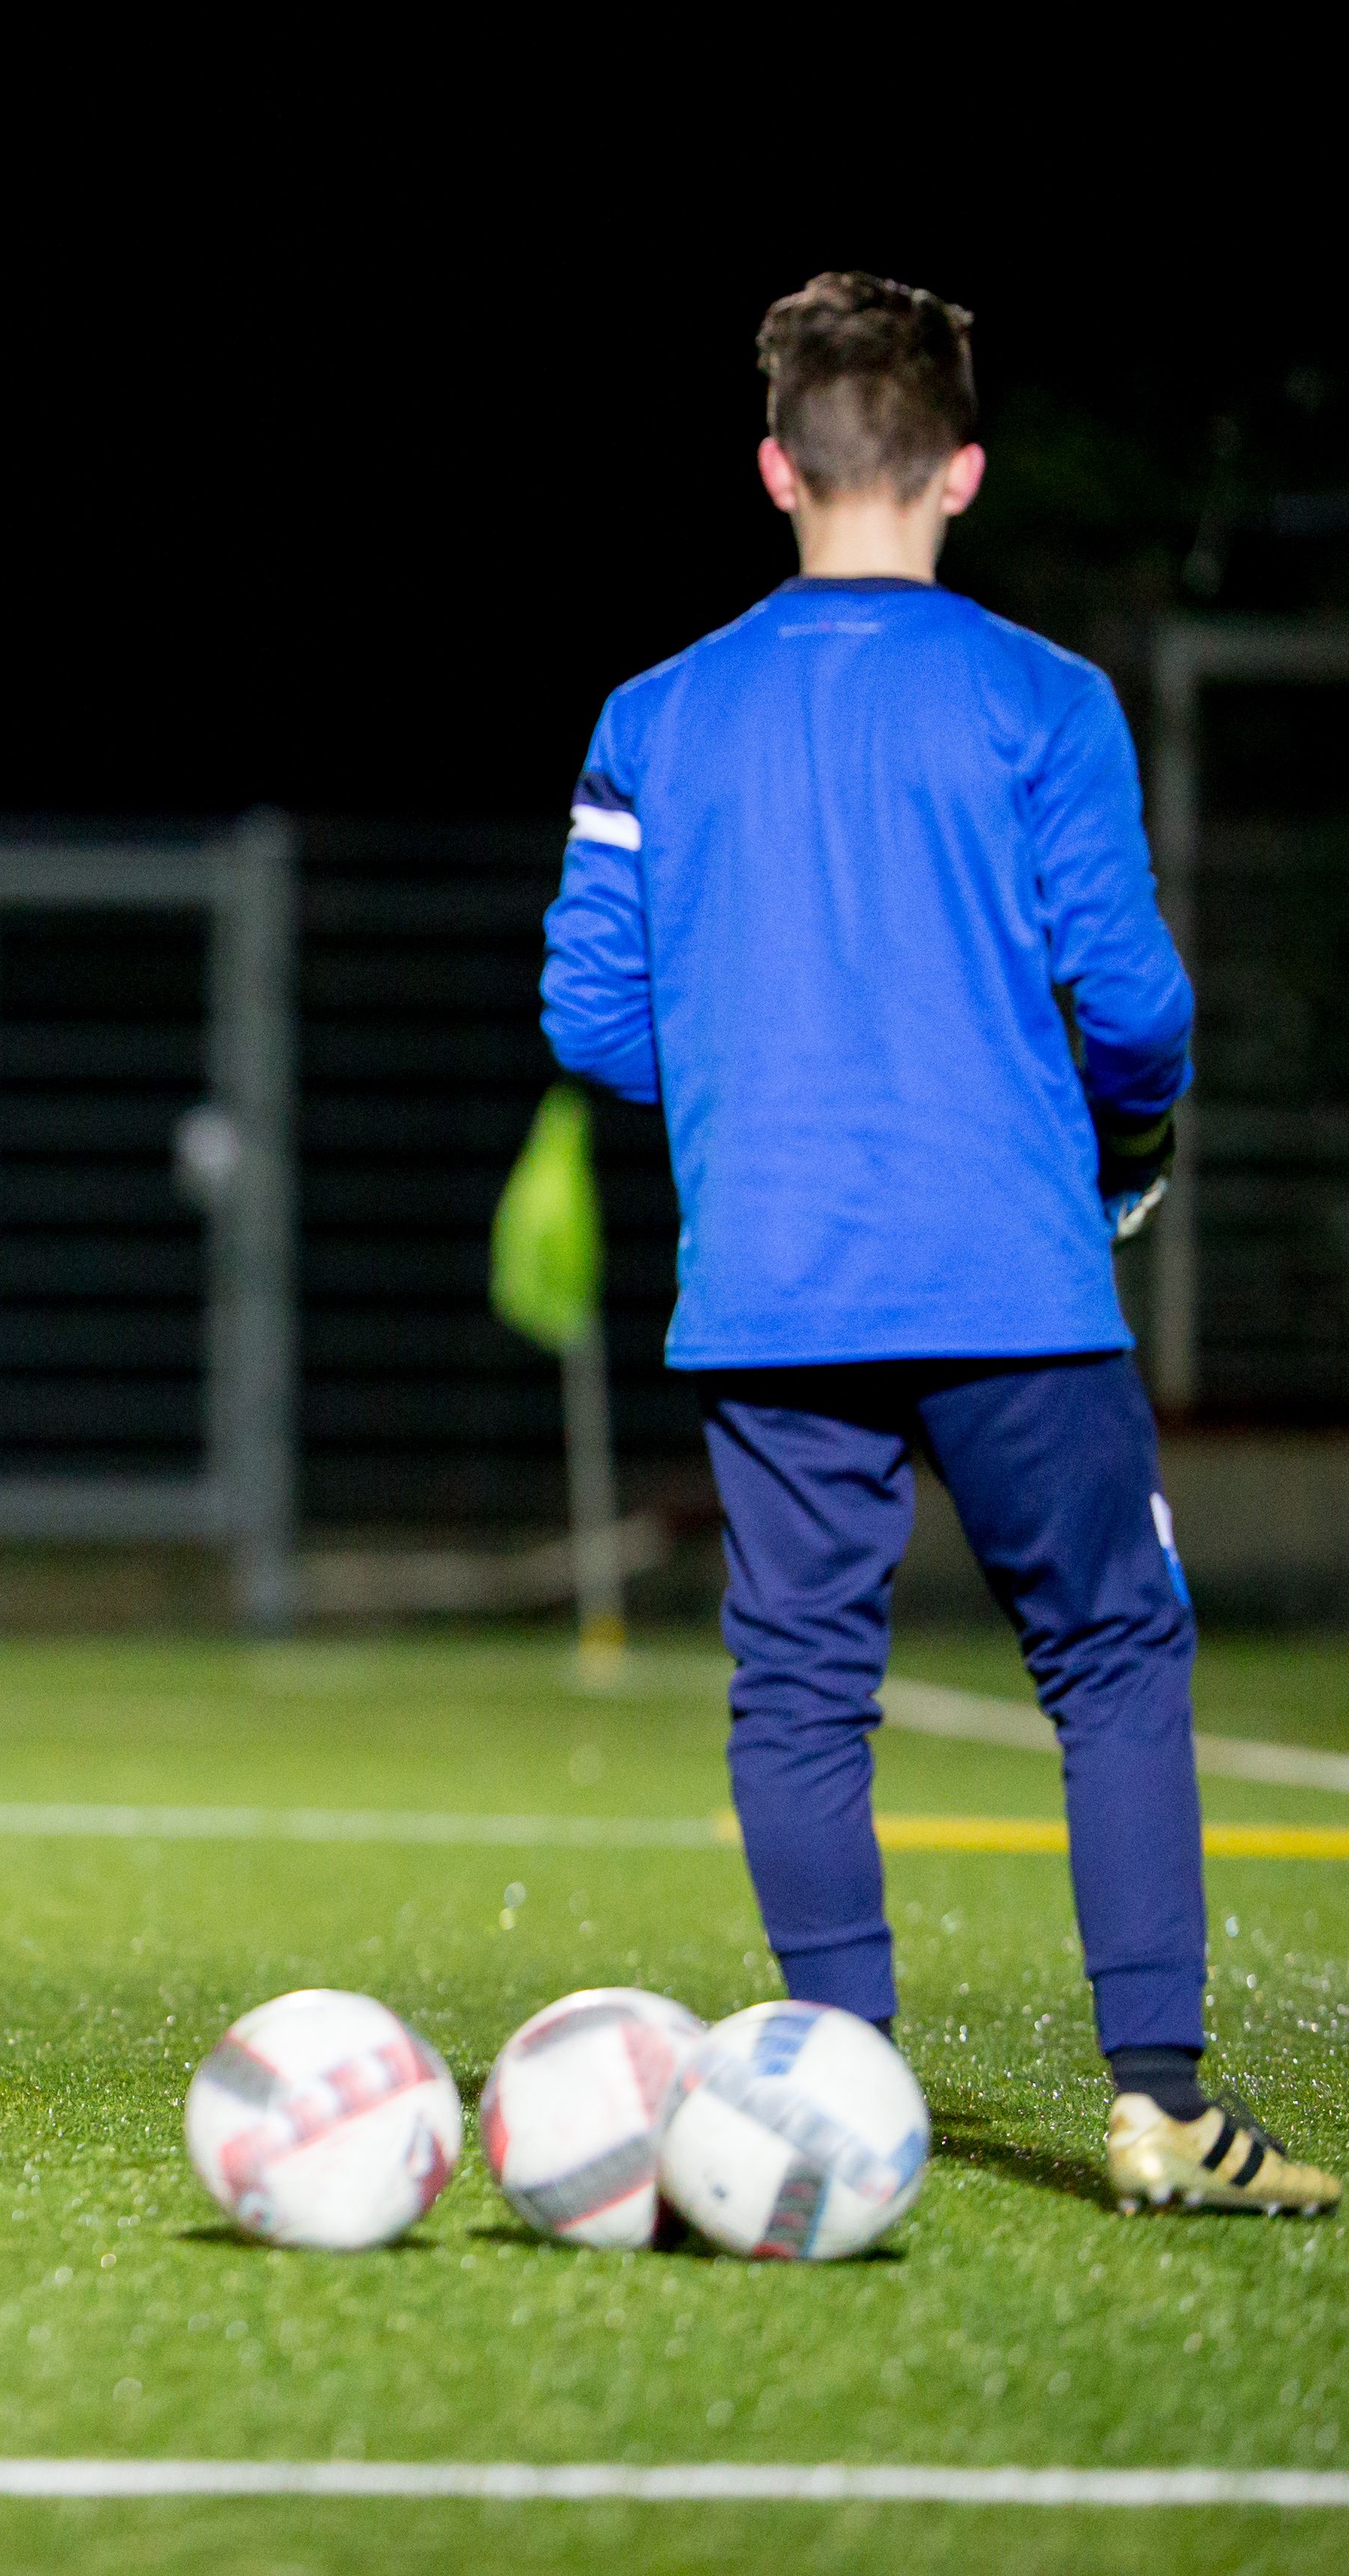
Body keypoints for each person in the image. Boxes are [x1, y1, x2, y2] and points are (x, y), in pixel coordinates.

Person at [542, 274, 1335, 2214]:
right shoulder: (1043, 699)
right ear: (962, 469)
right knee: (1114, 1653)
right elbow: (1137, 1007)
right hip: (1011, 1272)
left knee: (800, 1687)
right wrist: (1115, 1122)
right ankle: (1157, 2102)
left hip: (773, 1278)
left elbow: (594, 1024)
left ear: (771, 467)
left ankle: (845, 2091)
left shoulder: (653, 716)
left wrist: (766, 1061)